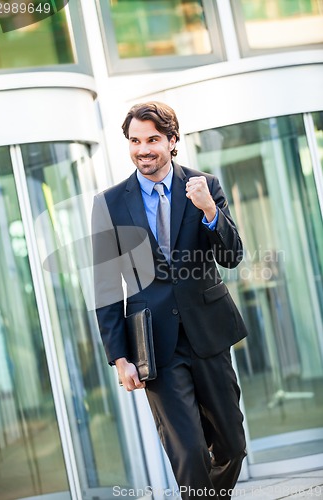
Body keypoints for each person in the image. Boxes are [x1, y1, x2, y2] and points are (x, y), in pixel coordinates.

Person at [92, 101, 248, 499]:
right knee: (190, 452)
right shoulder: (110, 203)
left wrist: (210, 210)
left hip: (208, 334)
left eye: (153, 140)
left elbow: (231, 257)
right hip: (155, 346)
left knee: (232, 445)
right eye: (134, 141)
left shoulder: (204, 185)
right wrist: (120, 357)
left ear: (172, 140)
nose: (143, 149)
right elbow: (107, 284)